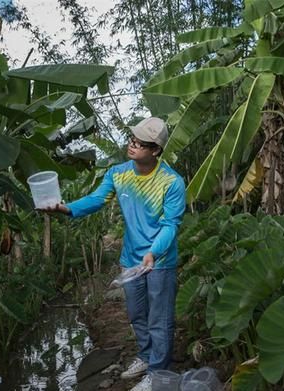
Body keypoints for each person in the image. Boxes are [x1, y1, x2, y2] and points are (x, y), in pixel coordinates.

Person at [41, 117, 186, 391]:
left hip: (160, 261)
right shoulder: (118, 173)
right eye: (131, 140)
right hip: (131, 259)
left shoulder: (171, 182)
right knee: (135, 313)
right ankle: (145, 356)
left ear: (155, 150)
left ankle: (158, 373)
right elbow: (97, 199)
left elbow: (170, 226)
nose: (132, 145)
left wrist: (154, 253)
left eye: (139, 143)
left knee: (159, 318)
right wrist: (65, 208)